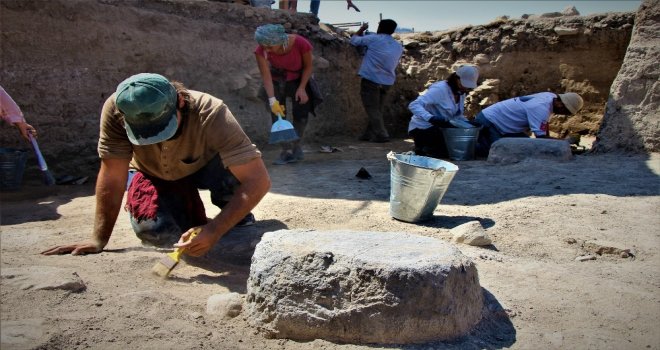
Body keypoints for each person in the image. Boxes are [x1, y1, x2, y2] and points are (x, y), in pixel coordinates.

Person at [41, 73, 271, 257]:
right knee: (158, 234)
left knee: (233, 176)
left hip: (203, 167)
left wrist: (215, 230)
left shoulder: (210, 112)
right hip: (152, 173)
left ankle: (234, 214)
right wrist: (98, 239)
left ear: (180, 101)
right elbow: (112, 175)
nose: (158, 139)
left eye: (163, 127)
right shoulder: (116, 110)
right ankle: (182, 213)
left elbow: (257, 180)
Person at [254, 23, 314, 165]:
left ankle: (296, 145)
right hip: (276, 79)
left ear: (280, 41)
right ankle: (286, 150)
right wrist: (272, 100)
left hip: (298, 79)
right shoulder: (261, 50)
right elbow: (266, 77)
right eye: (264, 46)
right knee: (277, 115)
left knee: (301, 113)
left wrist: (302, 88)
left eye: (270, 46)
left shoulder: (300, 43)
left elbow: (308, 66)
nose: (267, 50)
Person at [473, 92, 584, 156]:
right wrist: (565, 142)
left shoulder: (550, 97)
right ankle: (466, 148)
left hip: (501, 123)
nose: (564, 115)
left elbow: (544, 125)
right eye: (566, 112)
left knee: (523, 145)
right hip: (489, 121)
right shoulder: (541, 107)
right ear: (561, 104)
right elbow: (541, 138)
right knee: (497, 152)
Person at [407, 65, 480, 158]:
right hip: (423, 128)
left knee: (469, 146)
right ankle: (423, 147)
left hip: (443, 128)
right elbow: (414, 105)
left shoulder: (460, 93)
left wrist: (468, 124)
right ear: (456, 79)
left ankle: (428, 148)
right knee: (448, 151)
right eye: (463, 85)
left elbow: (457, 116)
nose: (465, 88)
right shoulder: (440, 89)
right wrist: (430, 118)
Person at [350, 19, 404, 143]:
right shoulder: (398, 46)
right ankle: (369, 133)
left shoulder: (374, 38)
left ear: (380, 27)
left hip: (371, 79)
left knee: (371, 108)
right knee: (377, 109)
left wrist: (361, 29)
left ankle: (381, 134)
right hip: (387, 82)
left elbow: (353, 40)